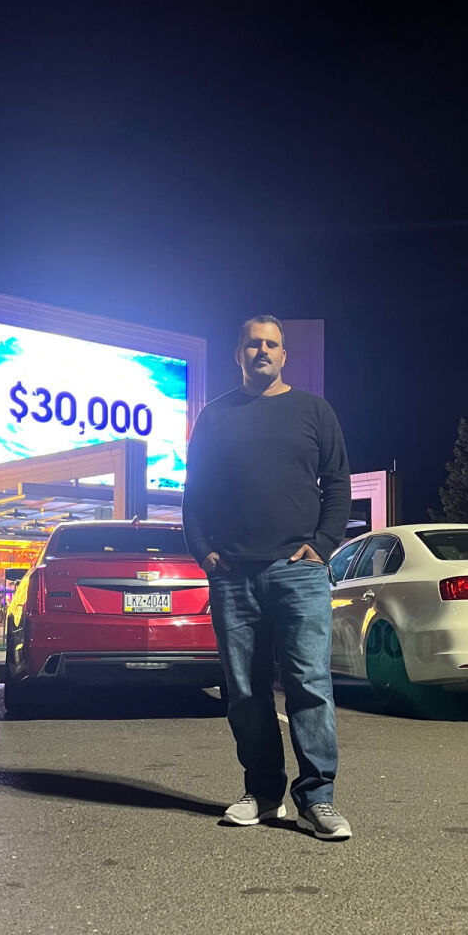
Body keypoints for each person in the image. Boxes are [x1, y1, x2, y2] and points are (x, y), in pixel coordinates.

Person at [183, 315, 353, 840]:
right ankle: (262, 794)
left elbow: (338, 485)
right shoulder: (214, 416)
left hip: (299, 574)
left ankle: (317, 799)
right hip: (233, 576)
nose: (263, 351)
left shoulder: (314, 412)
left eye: (272, 344)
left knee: (309, 686)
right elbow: (195, 493)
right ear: (238, 354)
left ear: (284, 355)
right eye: (253, 344)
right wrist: (204, 552)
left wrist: (322, 546)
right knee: (245, 691)